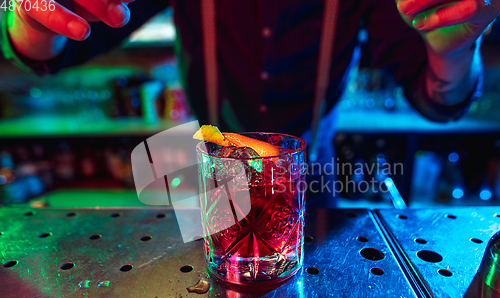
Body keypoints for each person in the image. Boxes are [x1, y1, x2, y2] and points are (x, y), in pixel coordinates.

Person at [1, 0, 496, 207]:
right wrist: (28, 16)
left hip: (311, 188)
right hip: (210, 184)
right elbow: (48, 50)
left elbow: (439, 102)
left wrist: (455, 48)